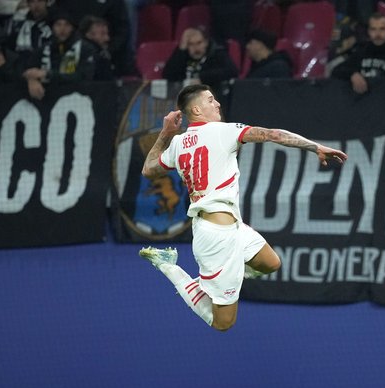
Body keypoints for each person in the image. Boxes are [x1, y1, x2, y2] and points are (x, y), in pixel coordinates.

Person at [138, 84, 347, 331]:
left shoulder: (178, 143)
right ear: (196, 109)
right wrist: (315, 146)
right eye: (210, 100)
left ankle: (222, 276)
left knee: (271, 263)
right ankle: (167, 265)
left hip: (229, 226)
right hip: (217, 238)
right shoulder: (223, 132)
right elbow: (273, 135)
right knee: (223, 323)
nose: (217, 104)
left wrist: (165, 133)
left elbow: (148, 169)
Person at [22, 10, 99, 100]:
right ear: (53, 28)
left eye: (67, 25)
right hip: (47, 99)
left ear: (72, 28)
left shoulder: (85, 48)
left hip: (77, 99)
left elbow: (83, 76)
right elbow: (25, 69)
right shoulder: (44, 48)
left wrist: (48, 74)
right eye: (58, 24)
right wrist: (31, 80)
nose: (62, 29)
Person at [331, 12, 385, 94]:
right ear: (368, 31)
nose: (377, 34)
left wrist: (372, 83)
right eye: (373, 29)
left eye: (382, 29)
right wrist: (352, 75)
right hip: (363, 103)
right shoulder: (362, 51)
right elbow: (336, 71)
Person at [163, 27, 238, 91]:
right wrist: (181, 49)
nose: (196, 48)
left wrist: (202, 79)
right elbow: (168, 74)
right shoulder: (182, 55)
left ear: (206, 42)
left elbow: (232, 71)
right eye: (191, 44)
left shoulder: (216, 53)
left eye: (199, 43)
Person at [6, 0, 52, 67]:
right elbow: (10, 49)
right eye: (32, 1)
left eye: (40, 1)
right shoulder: (18, 25)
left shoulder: (56, 24)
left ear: (47, 2)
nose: (36, 5)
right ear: (28, 4)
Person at [79, 15, 117, 80]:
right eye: (102, 34)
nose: (107, 39)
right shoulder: (89, 55)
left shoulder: (103, 53)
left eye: (107, 34)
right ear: (89, 35)